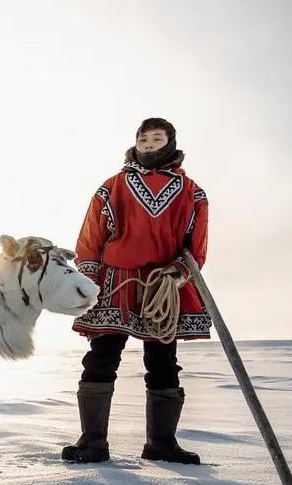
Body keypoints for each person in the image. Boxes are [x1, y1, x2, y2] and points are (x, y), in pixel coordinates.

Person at [62, 117, 212, 465]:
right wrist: (89, 277)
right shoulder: (112, 186)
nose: (148, 145)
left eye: (156, 139)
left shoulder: (193, 193)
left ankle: (161, 443)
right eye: (143, 140)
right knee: (101, 357)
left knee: (163, 362)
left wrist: (179, 273)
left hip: (164, 286)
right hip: (115, 282)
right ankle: (92, 442)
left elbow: (197, 242)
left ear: (170, 144)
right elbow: (91, 236)